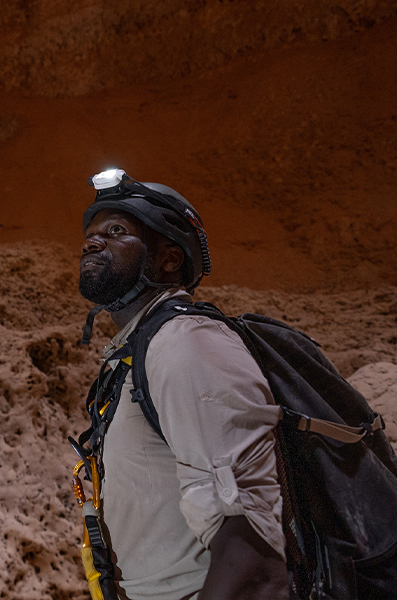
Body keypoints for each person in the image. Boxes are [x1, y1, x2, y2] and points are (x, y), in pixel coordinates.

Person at [76, 168, 287, 600]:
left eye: (116, 231)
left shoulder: (185, 345)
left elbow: (255, 557)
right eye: (91, 233)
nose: (92, 242)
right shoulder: (137, 352)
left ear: (169, 259)